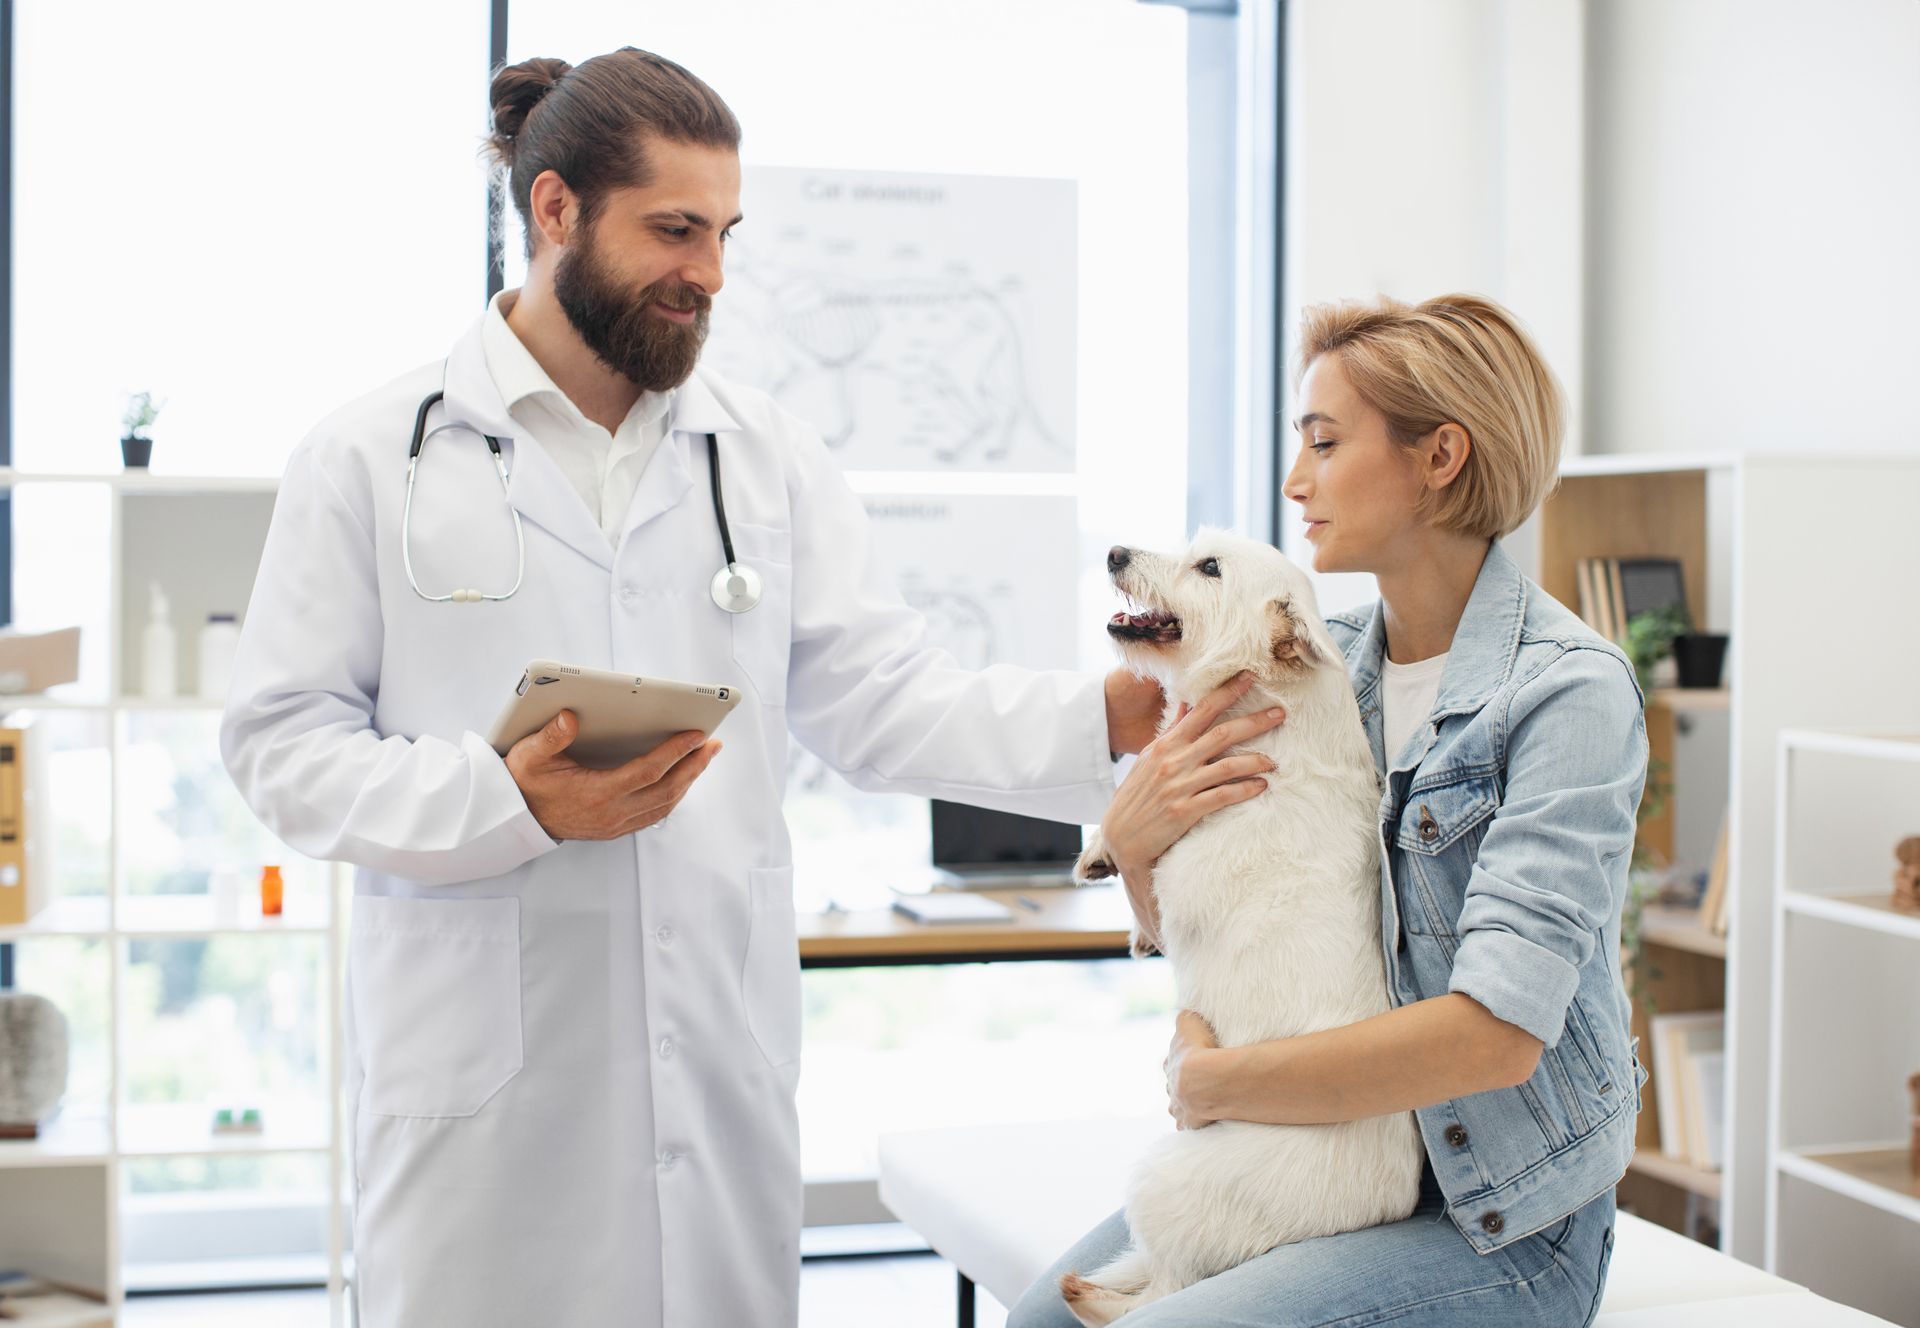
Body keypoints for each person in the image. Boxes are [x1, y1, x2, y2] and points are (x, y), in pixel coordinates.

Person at [217, 48, 1283, 1328]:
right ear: (555, 211)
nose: (710, 273)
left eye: (724, 232)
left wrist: (1101, 717)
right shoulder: (370, 456)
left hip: (711, 1059)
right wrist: (510, 798)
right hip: (482, 1091)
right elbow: (281, 743)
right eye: (673, 229)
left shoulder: (761, 455)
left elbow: (879, 697)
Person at [1012, 294, 1648, 1327]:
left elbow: (1496, 1037)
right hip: (1320, 1160)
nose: (1294, 480)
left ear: (1440, 456)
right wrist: (1133, 854)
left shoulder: (1567, 692)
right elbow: (1240, 929)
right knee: (1037, 1321)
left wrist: (1220, 1084)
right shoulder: (1318, 662)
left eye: (1324, 441)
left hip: (1496, 1219)